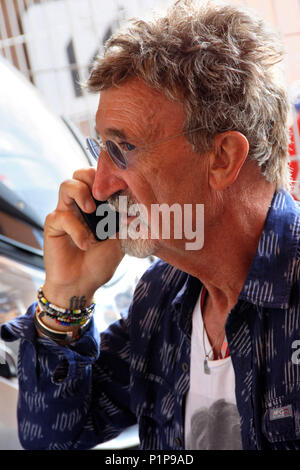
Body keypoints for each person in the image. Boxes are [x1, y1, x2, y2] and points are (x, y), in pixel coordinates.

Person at [1, 0, 299, 450]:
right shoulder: (163, 296)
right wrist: (66, 298)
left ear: (223, 158)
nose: (98, 186)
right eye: (98, 148)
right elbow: (52, 439)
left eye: (123, 149)